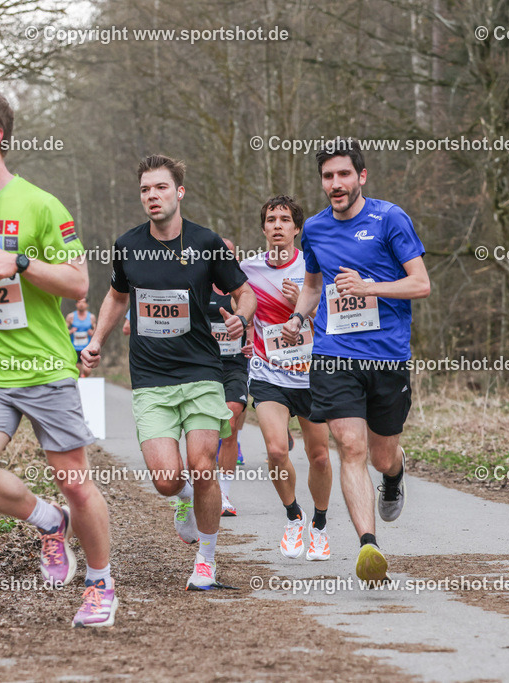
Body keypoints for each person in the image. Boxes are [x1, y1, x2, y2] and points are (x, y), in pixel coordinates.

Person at [0, 86, 116, 627]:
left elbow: (79, 279)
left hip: (43, 367)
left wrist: (22, 262)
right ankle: (47, 522)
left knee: (77, 484)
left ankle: (100, 584)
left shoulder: (40, 205)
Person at [82, 154, 255, 590]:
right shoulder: (127, 245)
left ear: (178, 192)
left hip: (201, 372)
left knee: (202, 468)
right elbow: (117, 297)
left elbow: (244, 291)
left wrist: (242, 317)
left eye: (160, 188)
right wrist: (97, 340)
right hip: (151, 379)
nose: (152, 196)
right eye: (145, 190)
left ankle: (206, 561)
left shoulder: (206, 242)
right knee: (166, 480)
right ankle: (182, 503)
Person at [282, 139, 430, 585]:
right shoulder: (314, 229)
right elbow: (312, 285)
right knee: (350, 446)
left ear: (361, 176)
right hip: (333, 354)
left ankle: (395, 474)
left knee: (382, 455)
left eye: (344, 174)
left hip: (386, 356)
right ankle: (369, 545)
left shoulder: (390, 219)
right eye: (328, 176)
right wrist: (297, 316)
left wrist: (371, 287)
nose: (335, 184)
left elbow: (420, 284)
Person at [242, 195, 333, 561]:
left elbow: (337, 319)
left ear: (297, 229)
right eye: (270, 219)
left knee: (321, 457)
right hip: (269, 373)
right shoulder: (248, 269)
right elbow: (229, 298)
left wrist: (307, 305)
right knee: (277, 450)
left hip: (311, 376)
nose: (277, 225)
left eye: (284, 219)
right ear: (263, 228)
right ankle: (294, 517)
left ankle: (320, 526)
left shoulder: (313, 270)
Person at [207, 239, 248, 517]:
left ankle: (223, 494)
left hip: (235, 364)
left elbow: (259, 319)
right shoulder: (198, 285)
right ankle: (201, 488)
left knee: (231, 421)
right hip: (204, 365)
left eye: (229, 254)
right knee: (204, 430)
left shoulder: (242, 291)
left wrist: (253, 343)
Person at [67, 297, 96, 377]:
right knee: (77, 370)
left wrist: (92, 333)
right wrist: (71, 331)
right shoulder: (71, 316)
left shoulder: (91, 317)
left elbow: (96, 331)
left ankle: (84, 377)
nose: (81, 304)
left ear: (86, 304)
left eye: (83, 302)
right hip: (75, 348)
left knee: (87, 370)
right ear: (76, 304)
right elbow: (63, 331)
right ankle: (81, 381)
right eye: (79, 302)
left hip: (87, 347)